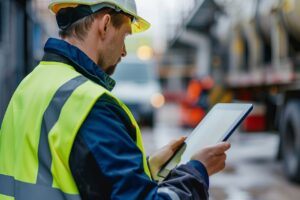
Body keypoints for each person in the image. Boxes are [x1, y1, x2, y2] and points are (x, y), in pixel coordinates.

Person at [0, 0, 230, 199]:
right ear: (106, 24)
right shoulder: (90, 105)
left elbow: (69, 176)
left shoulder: (30, 85)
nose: (124, 52)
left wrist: (146, 169)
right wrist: (197, 172)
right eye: (126, 36)